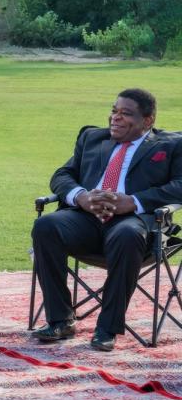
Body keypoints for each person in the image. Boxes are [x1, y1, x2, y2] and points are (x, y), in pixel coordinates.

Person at [32, 88, 181, 352]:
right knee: (46, 226)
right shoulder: (92, 137)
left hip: (133, 223)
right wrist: (81, 197)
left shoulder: (171, 144)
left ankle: (107, 328)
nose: (116, 118)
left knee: (127, 235)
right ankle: (60, 320)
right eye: (114, 111)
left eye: (126, 114)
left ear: (148, 121)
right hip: (85, 220)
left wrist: (134, 201)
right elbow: (62, 175)